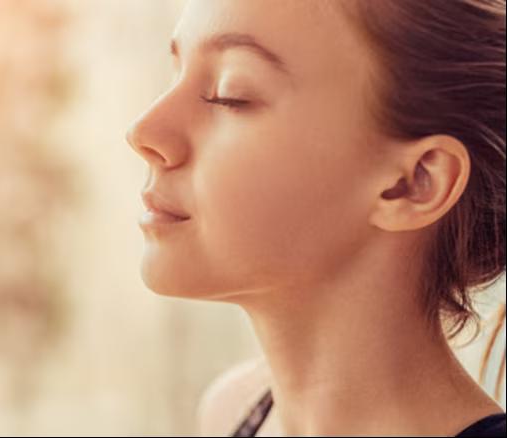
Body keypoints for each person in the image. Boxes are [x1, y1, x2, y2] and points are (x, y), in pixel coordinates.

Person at [124, 0, 507, 436]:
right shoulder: (232, 412)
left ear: (413, 183)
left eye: (230, 95)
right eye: (177, 73)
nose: (144, 131)